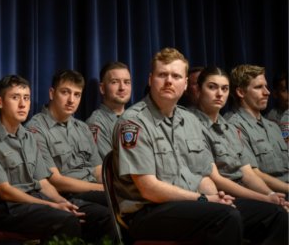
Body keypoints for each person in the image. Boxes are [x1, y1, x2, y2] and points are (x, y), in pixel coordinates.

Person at [112, 48, 242, 244]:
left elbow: (203, 176)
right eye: (162, 75)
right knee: (225, 218)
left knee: (271, 214)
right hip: (146, 212)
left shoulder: (190, 120)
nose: (169, 81)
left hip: (187, 204)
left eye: (176, 76)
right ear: (150, 79)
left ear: (186, 84)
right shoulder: (133, 123)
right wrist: (204, 201)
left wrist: (216, 198)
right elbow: (149, 189)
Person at [25, 69, 115, 242]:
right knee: (109, 213)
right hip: (67, 194)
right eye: (65, 92)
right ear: (52, 93)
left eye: (77, 94)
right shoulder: (36, 129)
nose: (71, 100)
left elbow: (98, 170)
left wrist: (114, 186)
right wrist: (104, 189)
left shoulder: (82, 127)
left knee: (129, 202)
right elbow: (55, 180)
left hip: (92, 190)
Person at [0, 75, 84, 241]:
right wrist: (53, 205)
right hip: (8, 207)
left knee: (88, 214)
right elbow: (3, 191)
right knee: (66, 221)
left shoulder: (28, 136)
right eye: (15, 97)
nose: (22, 104)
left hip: (34, 201)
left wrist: (63, 202)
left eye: (26, 98)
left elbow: (43, 182)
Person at [190, 67, 289, 203]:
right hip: (232, 195)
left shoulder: (230, 127)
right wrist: (268, 197)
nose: (267, 92)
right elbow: (218, 178)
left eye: (225, 89)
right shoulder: (231, 124)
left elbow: (246, 172)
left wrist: (270, 195)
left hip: (265, 192)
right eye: (259, 87)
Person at [225, 65, 289, 183]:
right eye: (259, 87)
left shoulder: (273, 126)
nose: (267, 92)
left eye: (266, 86)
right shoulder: (233, 126)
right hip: (270, 194)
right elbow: (252, 175)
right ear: (241, 92)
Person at [86, 61, 132, 159]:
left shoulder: (137, 119)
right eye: (115, 82)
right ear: (102, 88)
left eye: (126, 82)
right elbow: (110, 169)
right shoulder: (96, 124)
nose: (122, 87)